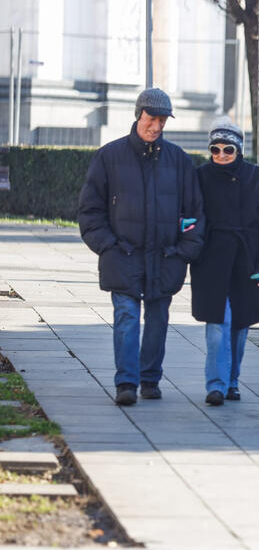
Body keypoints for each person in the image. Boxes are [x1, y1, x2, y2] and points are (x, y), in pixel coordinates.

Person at [77, 87, 204, 406]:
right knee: (127, 319)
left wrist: (184, 250)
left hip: (166, 258)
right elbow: (90, 211)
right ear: (139, 115)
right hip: (123, 256)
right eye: (152, 118)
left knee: (158, 322)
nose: (157, 126)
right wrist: (108, 246)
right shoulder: (110, 156)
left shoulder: (179, 161)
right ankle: (126, 384)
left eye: (162, 120)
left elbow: (195, 214)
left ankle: (150, 379)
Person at [190, 119, 259, 406]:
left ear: (239, 150)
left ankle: (232, 381)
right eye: (215, 149)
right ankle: (216, 386)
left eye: (228, 149)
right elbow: (188, 216)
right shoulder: (200, 177)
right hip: (211, 264)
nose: (221, 155)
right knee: (218, 324)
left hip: (247, 263)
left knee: (239, 326)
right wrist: (193, 248)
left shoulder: (258, 180)